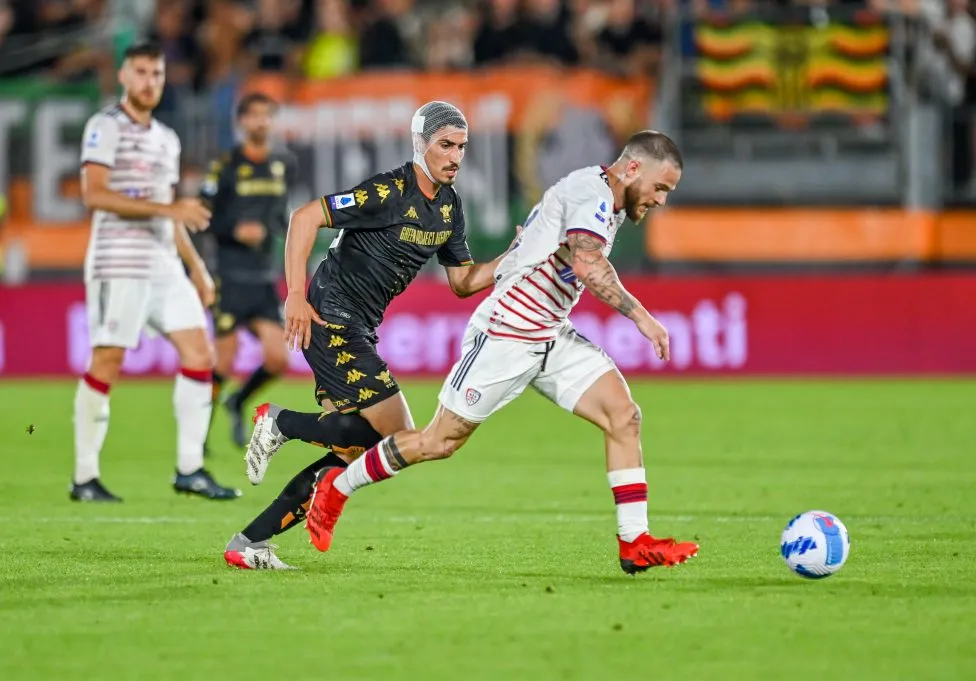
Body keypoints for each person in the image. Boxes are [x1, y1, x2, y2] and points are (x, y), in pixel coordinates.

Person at [303, 131, 700, 574]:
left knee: (623, 417)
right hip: (506, 334)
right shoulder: (590, 194)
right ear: (632, 169)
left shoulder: (604, 198)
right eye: (660, 188)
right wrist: (642, 316)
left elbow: (572, 256)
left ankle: (634, 542)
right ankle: (338, 487)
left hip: (549, 333)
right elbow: (588, 263)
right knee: (439, 442)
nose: (661, 200)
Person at [224, 101, 515, 569]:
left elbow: (462, 282)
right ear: (421, 144)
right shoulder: (389, 191)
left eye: (462, 146)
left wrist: (514, 258)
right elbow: (305, 218)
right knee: (400, 435)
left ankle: (249, 542)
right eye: (445, 145)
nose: (455, 155)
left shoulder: (449, 208)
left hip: (360, 324)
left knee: (355, 446)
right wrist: (295, 294)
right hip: (330, 314)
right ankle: (280, 423)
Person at [72, 41, 240, 502]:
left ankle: (190, 469)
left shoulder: (167, 138)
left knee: (200, 353)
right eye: (142, 72)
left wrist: (197, 267)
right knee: (108, 360)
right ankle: (84, 477)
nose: (150, 81)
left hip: (163, 264)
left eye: (157, 74)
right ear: (124, 76)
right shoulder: (104, 127)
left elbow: (174, 214)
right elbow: (96, 195)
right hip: (118, 262)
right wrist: (170, 207)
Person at [199, 92, 295, 449]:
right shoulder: (225, 166)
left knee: (278, 358)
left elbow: (280, 217)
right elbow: (202, 215)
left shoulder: (280, 166)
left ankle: (237, 402)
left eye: (266, 116)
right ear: (242, 121)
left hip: (261, 278)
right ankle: (199, 433)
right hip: (229, 275)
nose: (260, 122)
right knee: (223, 359)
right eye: (254, 115)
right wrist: (234, 229)